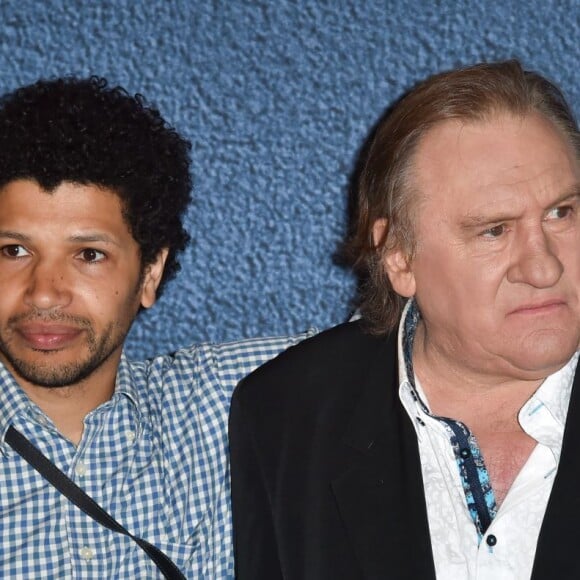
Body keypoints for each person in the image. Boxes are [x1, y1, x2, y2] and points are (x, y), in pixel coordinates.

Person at [229, 60, 580, 579]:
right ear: (399, 256)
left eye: (562, 213)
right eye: (494, 230)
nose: (543, 265)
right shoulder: (288, 414)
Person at [0, 76, 311, 579]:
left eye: (88, 255)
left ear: (150, 274)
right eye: (14, 251)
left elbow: (403, 340)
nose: (44, 292)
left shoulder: (219, 403)